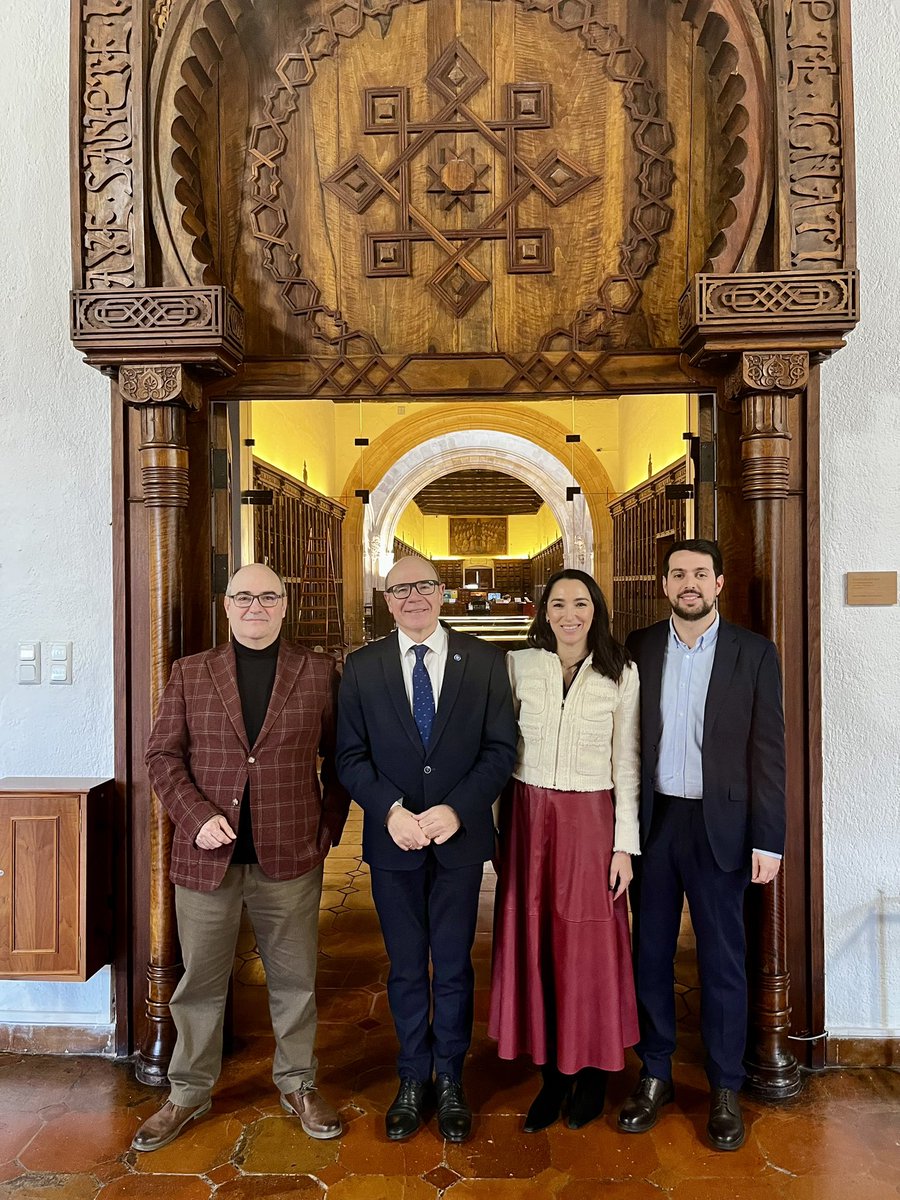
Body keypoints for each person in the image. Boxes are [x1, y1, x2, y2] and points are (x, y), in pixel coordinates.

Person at [132, 563, 349, 1152]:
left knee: (295, 980)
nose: (256, 605)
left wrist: (328, 827)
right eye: (244, 596)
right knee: (199, 982)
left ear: (285, 605)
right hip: (207, 858)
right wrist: (196, 817)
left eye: (268, 596)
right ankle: (187, 1091)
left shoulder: (319, 672)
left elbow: (343, 758)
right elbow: (161, 756)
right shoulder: (191, 672)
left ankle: (298, 1082)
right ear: (227, 606)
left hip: (291, 855)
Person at [336, 555, 517, 1143]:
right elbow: (349, 757)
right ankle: (412, 1077)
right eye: (400, 590)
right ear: (387, 600)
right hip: (395, 843)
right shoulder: (361, 669)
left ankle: (451, 1078)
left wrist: (456, 809)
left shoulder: (485, 662)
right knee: (408, 966)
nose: (413, 597)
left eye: (423, 586)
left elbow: (499, 750)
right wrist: (389, 809)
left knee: (456, 964)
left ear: (440, 594)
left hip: (458, 841)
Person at [617, 539, 786, 1151]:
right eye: (677, 574)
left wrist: (770, 839)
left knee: (723, 962)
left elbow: (768, 753)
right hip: (656, 825)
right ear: (664, 585)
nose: (688, 583)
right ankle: (655, 1071)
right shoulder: (638, 648)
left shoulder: (753, 653)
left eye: (699, 574)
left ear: (718, 583)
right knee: (650, 954)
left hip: (725, 830)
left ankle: (723, 1086)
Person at [488, 569, 641, 1133]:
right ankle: (551, 1074)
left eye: (580, 603)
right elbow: (500, 749)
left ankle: (594, 1071)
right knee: (536, 935)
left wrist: (625, 845)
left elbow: (627, 762)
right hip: (528, 813)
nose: (569, 614)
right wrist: (495, 826)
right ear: (544, 611)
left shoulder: (620, 672)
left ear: (596, 609)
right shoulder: (519, 665)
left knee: (589, 939)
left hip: (591, 818)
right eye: (558, 604)